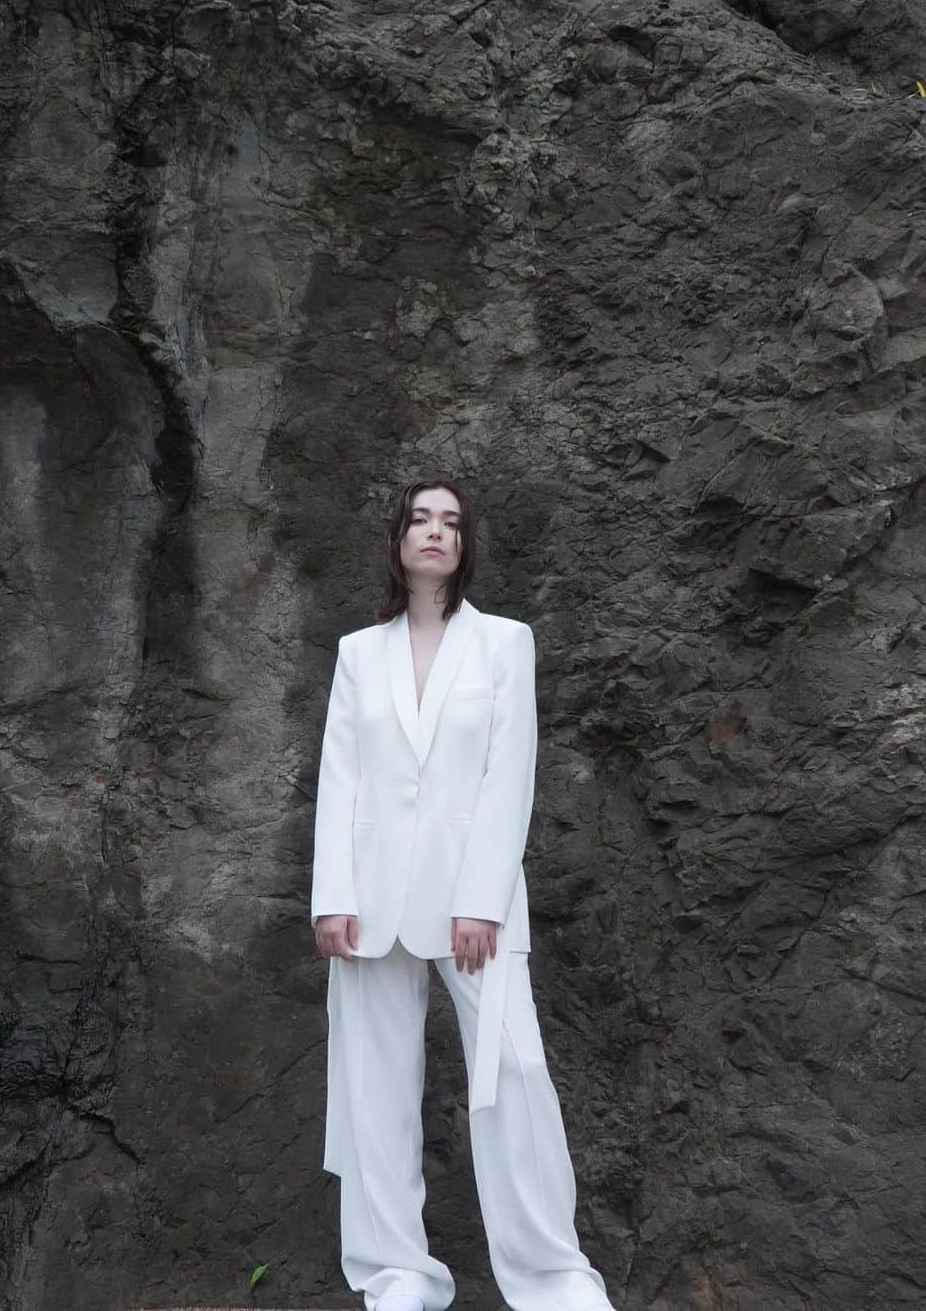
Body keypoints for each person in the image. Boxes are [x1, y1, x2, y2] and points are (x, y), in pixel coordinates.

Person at [310, 477, 615, 1311]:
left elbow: (508, 776)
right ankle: (396, 1272)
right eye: (420, 518)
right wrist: (330, 895)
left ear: (466, 541)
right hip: (368, 901)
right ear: (396, 538)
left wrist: (481, 899)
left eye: (450, 521)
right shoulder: (357, 652)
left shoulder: (504, 643)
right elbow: (341, 782)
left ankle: (556, 1279)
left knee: (514, 1072)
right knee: (371, 1085)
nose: (435, 532)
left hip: (472, 904)